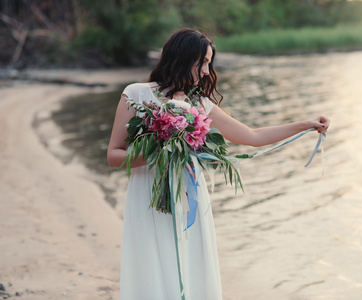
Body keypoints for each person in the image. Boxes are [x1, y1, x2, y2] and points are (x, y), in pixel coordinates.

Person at [107, 28, 329, 300]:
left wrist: (306, 125)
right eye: (202, 62)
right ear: (183, 57)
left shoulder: (200, 103)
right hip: (148, 197)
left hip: (190, 197)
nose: (206, 71)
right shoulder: (136, 95)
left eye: (209, 63)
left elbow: (252, 136)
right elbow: (114, 156)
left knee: (193, 265)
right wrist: (161, 146)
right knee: (153, 266)